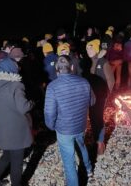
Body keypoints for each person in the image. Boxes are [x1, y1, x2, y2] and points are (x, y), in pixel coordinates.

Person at [0, 47, 34, 186]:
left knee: (6, 156)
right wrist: (32, 103)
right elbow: (23, 107)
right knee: (17, 163)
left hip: (2, 128)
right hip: (16, 131)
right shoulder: (16, 86)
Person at [44, 55, 95, 185]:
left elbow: (49, 113)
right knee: (81, 145)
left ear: (57, 69)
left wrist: (51, 126)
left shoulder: (52, 87)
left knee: (69, 162)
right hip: (81, 125)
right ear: (72, 67)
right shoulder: (84, 82)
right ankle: (89, 169)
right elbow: (92, 101)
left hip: (64, 129)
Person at [86, 39, 114, 155]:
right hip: (90, 95)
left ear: (96, 49)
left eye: (91, 48)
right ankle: (96, 138)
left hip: (100, 96)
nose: (88, 50)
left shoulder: (103, 62)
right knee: (92, 117)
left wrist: (106, 95)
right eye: (87, 48)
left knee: (98, 118)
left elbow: (111, 81)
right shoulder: (89, 61)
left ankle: (100, 143)